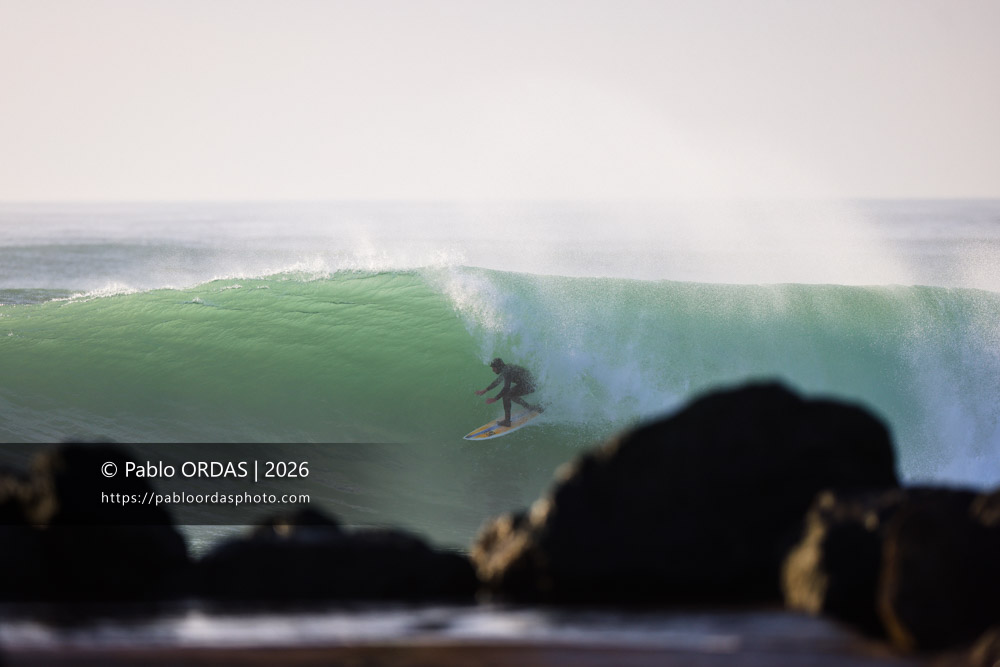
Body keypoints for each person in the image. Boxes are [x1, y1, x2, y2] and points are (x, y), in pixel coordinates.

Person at [474, 357, 542, 427]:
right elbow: (497, 382)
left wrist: (495, 398)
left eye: (494, 368)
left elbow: (506, 388)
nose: (493, 370)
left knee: (506, 396)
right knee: (511, 395)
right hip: (531, 384)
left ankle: (507, 421)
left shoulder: (507, 371)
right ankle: (530, 407)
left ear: (498, 367)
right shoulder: (506, 369)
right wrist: (485, 390)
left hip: (530, 385)